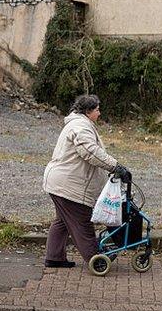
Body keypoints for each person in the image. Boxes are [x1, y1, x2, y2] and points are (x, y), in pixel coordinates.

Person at [42, 94, 123, 268]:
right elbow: (90, 152)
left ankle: (54, 257)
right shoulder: (81, 126)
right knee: (82, 221)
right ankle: (96, 259)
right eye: (97, 109)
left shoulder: (80, 124)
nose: (99, 113)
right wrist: (115, 166)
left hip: (59, 182)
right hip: (68, 184)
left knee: (62, 221)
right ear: (88, 111)